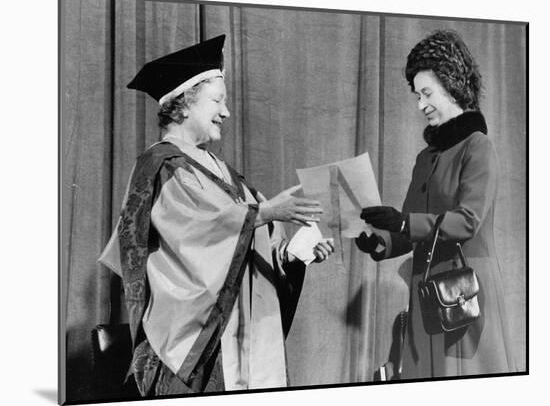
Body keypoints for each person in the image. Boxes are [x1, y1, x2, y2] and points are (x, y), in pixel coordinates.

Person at [98, 34, 334, 395]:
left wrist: (290, 254)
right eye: (217, 101)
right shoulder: (161, 166)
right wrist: (266, 211)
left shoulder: (224, 173)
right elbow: (193, 233)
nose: (225, 112)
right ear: (185, 104)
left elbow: (248, 240)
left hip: (238, 343)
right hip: (193, 354)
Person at [355, 30, 516, 378]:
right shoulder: (425, 158)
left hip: (464, 296)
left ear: (453, 85)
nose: (420, 105)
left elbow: (466, 221)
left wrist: (402, 223)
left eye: (427, 93)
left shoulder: (478, 147)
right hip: (427, 297)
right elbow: (409, 228)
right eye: (417, 95)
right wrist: (379, 241)